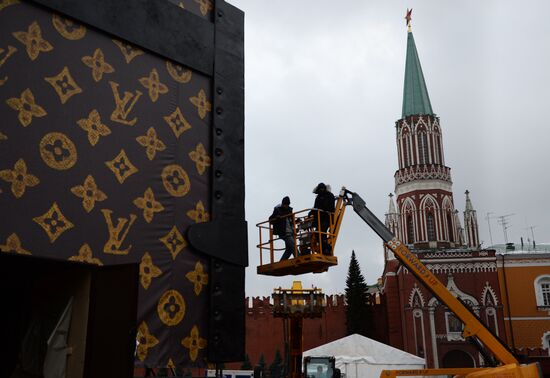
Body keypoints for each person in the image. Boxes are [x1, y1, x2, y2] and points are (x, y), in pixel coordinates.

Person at [269, 196, 296, 261]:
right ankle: (299, 257)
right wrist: (276, 217)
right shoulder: (277, 210)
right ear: (283, 203)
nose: (286, 206)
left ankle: (281, 262)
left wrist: (296, 221)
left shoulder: (289, 210)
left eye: (287, 204)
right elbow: (270, 220)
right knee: (293, 246)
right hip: (283, 232)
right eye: (285, 204)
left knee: (289, 250)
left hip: (290, 232)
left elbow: (291, 221)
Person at [311, 183, 335, 253]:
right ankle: (324, 249)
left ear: (324, 188)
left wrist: (324, 208)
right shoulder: (318, 197)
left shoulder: (329, 195)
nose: (321, 190)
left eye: (322, 188)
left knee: (322, 233)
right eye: (320, 189)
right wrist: (311, 212)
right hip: (319, 219)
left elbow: (331, 207)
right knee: (317, 234)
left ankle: (327, 249)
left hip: (327, 218)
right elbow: (315, 207)